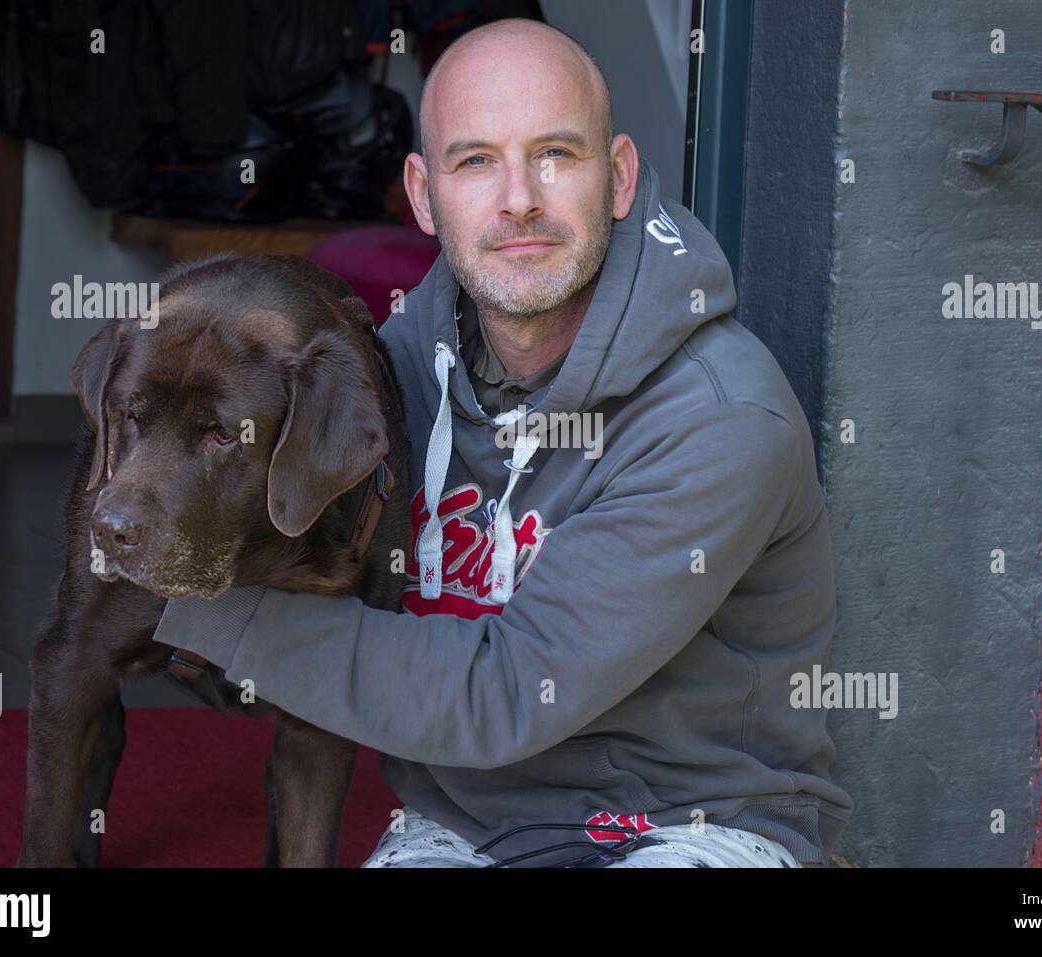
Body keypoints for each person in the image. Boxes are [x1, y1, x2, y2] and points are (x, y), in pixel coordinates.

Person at [151, 17, 853, 867]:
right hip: (465, 825)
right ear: (420, 193)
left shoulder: (719, 416)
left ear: (620, 177)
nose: (518, 196)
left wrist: (200, 607)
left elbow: (510, 693)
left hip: (691, 823)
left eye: (556, 153)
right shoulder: (396, 370)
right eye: (475, 160)